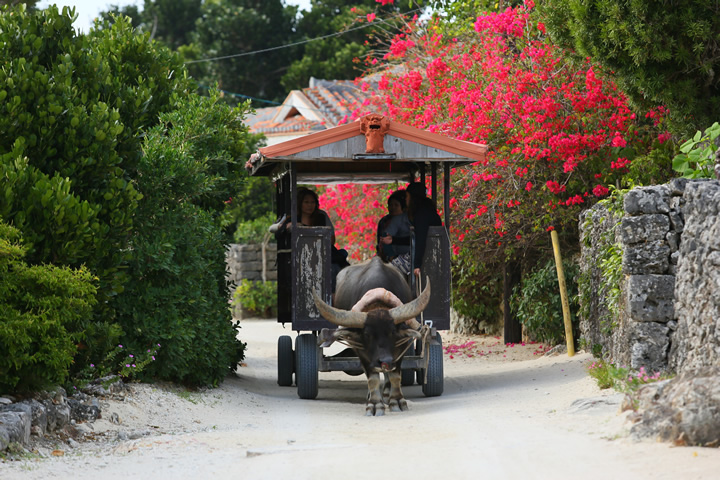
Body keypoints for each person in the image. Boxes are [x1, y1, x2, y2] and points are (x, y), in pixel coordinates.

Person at [405, 182, 442, 278]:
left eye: (407, 196)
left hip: (428, 256)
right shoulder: (426, 209)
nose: (406, 200)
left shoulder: (422, 214)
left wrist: (417, 265)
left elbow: (421, 238)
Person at [376, 190, 412, 261]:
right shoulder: (384, 221)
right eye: (390, 205)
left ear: (403, 207)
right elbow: (382, 238)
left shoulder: (408, 219)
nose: (393, 207)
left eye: (396, 205)